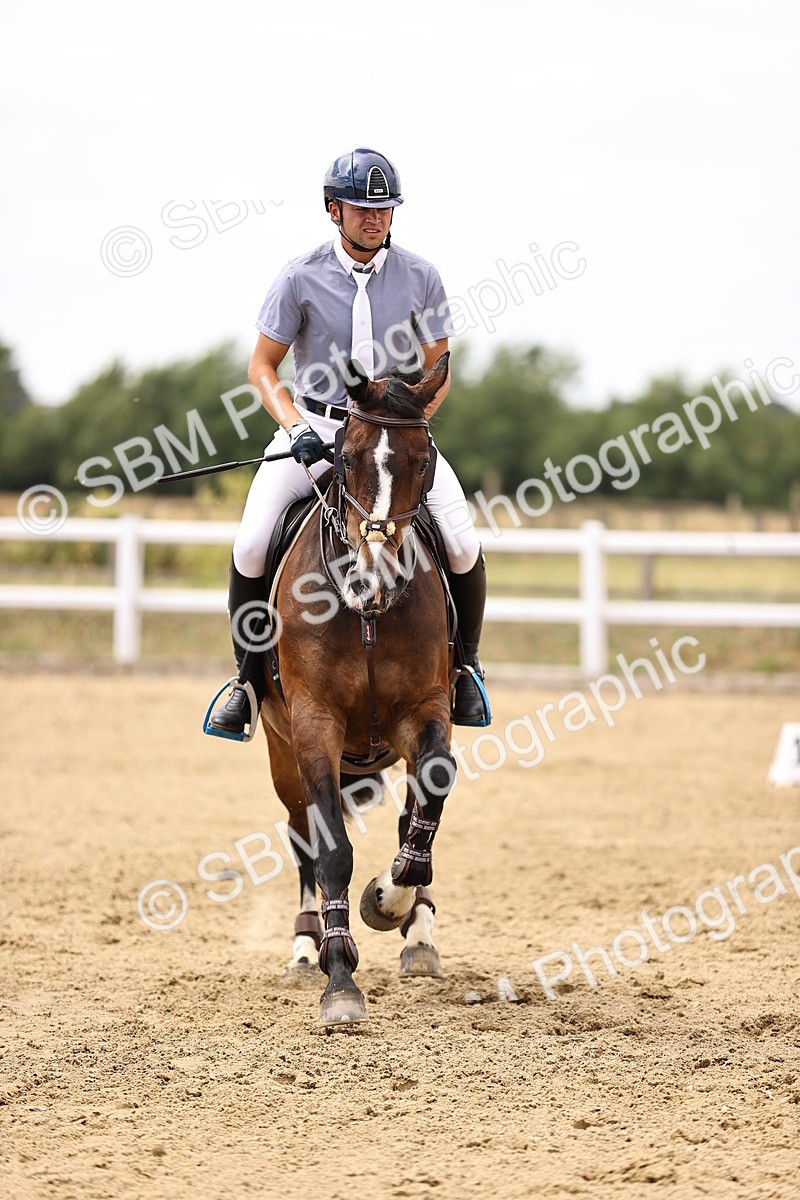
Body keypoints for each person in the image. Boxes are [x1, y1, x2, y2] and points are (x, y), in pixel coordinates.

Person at [208, 148, 489, 736]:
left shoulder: (421, 276)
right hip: (317, 429)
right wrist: (295, 428)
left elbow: (440, 367)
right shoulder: (299, 276)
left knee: (462, 543)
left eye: (383, 209)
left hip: (395, 438)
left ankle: (465, 669)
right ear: (334, 209)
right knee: (252, 543)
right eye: (362, 208)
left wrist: (409, 427)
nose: (375, 218)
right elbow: (262, 367)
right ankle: (246, 681)